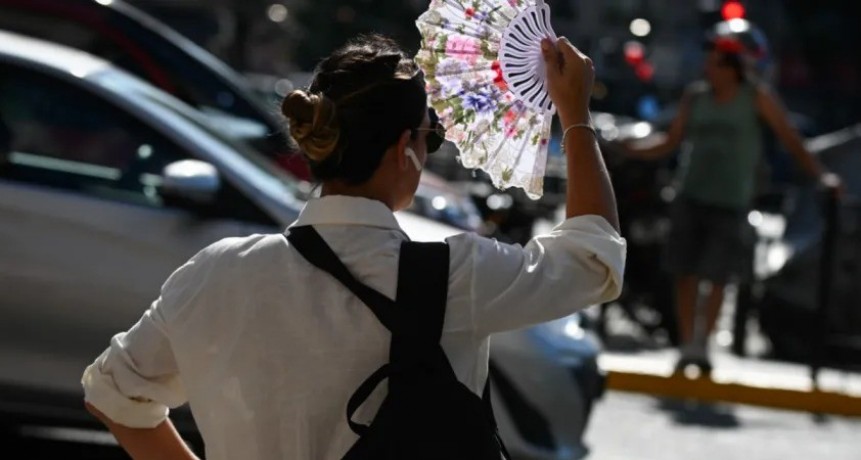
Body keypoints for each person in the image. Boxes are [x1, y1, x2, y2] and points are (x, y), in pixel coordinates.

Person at [80, 34, 625, 460]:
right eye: (427, 136)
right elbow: (593, 259)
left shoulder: (215, 272)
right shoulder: (454, 274)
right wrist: (573, 114)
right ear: (401, 150)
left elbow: (113, 395)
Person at [621, 20, 841, 373]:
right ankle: (685, 343)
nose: (708, 65)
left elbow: (791, 141)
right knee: (684, 272)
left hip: (731, 199)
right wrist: (628, 149)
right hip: (690, 193)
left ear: (734, 66)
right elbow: (668, 142)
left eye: (716, 59)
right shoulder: (696, 96)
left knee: (717, 276)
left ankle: (701, 346)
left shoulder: (757, 98)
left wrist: (822, 175)